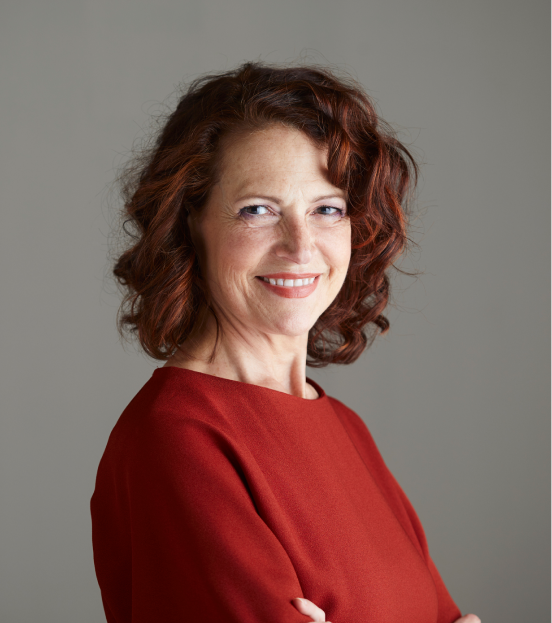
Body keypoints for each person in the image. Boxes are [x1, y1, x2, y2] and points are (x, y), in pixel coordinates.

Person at [90, 61, 480, 623]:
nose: (300, 247)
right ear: (188, 222)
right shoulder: (177, 437)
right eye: (258, 210)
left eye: (327, 209)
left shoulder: (344, 427)